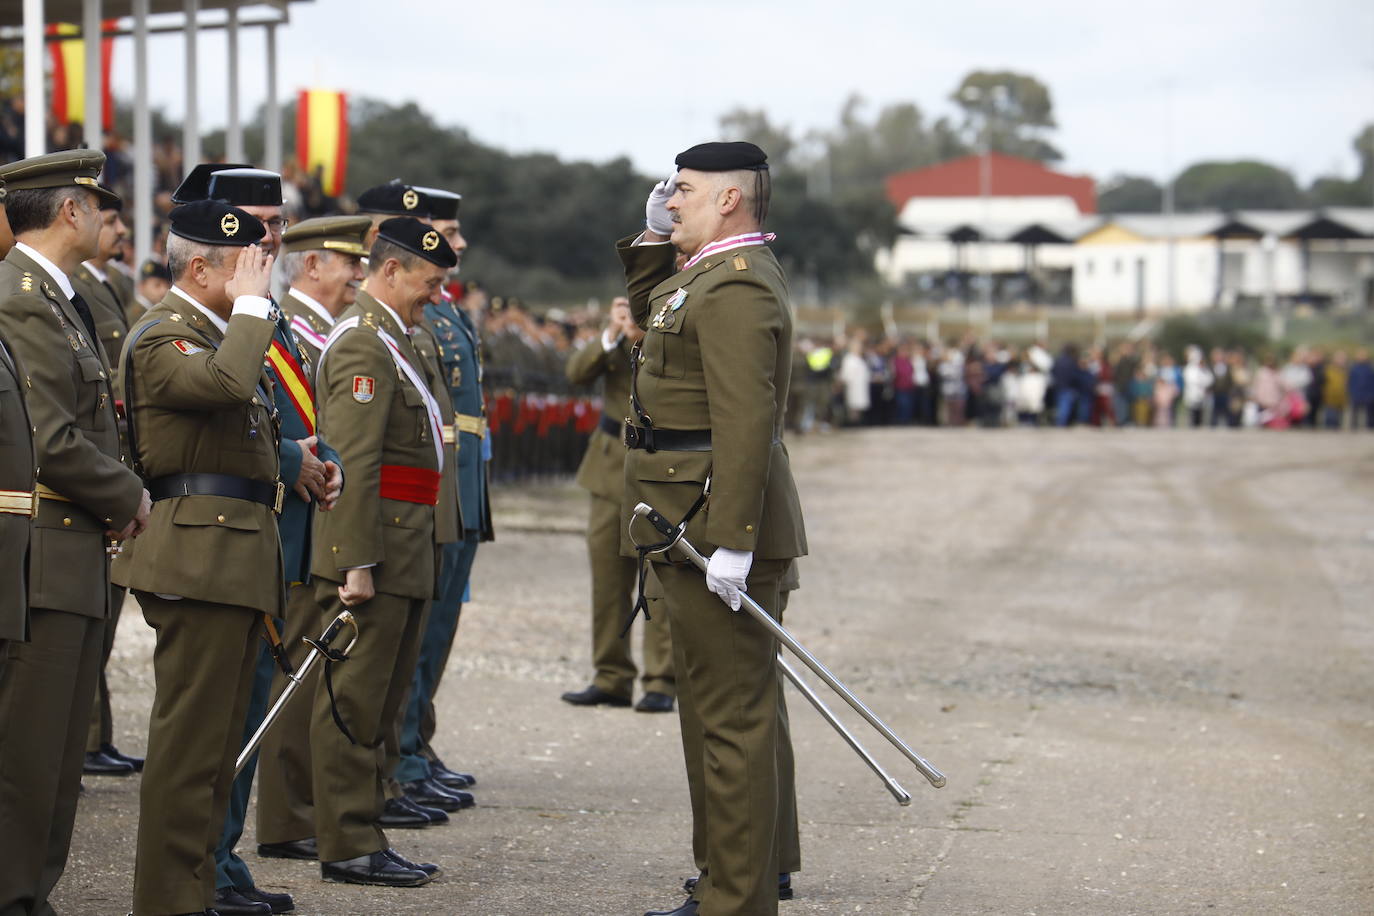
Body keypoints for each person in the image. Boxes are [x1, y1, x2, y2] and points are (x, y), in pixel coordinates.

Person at [618, 140, 807, 916]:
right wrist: (653, 238)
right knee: (723, 711)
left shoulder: (734, 285)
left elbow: (744, 418)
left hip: (712, 524)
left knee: (729, 720)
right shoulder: (705, 277)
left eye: (686, 190)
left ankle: (736, 896)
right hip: (687, 519)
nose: (673, 200)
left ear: (729, 200)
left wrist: (734, 537)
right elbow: (652, 315)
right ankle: (741, 874)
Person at [171, 164, 345, 916]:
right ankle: (202, 867)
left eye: (277, 223)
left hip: (276, 527)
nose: (270, 236)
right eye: (255, 222)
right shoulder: (201, 316)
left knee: (248, 710)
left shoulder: (261, 312)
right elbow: (203, 421)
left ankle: (226, 859)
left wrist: (319, 460)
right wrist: (292, 461)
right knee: (215, 722)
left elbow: (284, 411)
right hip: (229, 528)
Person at [112, 199, 278, 916]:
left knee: (218, 749)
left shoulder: (209, 330)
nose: (260, 275)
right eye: (247, 262)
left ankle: (197, 889)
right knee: (188, 747)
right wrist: (250, 311)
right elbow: (224, 387)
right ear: (203, 266)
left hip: (232, 556)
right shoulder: (161, 335)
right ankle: (168, 901)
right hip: (197, 556)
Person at [0, 150, 151, 916]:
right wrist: (130, 495)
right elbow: (51, 438)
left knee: (58, 757)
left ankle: (32, 893)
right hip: (42, 554)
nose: (104, 218)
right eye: (96, 204)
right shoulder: (22, 297)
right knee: (30, 754)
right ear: (69, 212)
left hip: (73, 547)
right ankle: (16, 895)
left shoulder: (59, 298)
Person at [308, 216, 454, 887]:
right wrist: (354, 560)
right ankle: (346, 839)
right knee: (355, 700)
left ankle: (365, 826)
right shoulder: (365, 346)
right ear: (390, 270)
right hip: (379, 551)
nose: (435, 296)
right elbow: (354, 465)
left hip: (407, 544)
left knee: (386, 700)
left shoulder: (395, 337)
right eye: (428, 283)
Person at [255, 215, 369, 863]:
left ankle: (296, 813)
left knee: (308, 667)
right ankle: (286, 817)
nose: (358, 273)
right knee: (293, 671)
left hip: (319, 513)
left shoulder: (312, 330)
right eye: (347, 261)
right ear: (312, 266)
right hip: (295, 519)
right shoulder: (291, 328)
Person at [394, 184, 490, 806]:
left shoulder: (446, 307)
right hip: (432, 476)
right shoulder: (405, 307)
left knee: (440, 623)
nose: (458, 245)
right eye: (447, 234)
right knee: (415, 628)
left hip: (463, 472)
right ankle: (401, 753)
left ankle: (415, 740)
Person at [561, 295, 675, 711]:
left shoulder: (675, 328)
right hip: (611, 466)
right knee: (608, 579)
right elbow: (575, 372)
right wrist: (612, 333)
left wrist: (652, 335)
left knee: (661, 578)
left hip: (664, 469)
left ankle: (662, 679)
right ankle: (611, 675)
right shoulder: (615, 344)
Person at [69, 187, 146, 778]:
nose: (116, 229)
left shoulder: (99, 284)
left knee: (102, 618)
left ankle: (95, 737)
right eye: (109, 216)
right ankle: (90, 739)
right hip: (85, 475)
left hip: (111, 457)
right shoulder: (64, 287)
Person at [1348, 349, 1374, 430]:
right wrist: (1351, 392)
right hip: (1356, 393)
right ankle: (1353, 428)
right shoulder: (1353, 368)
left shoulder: (1370, 368)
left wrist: (1371, 393)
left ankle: (1370, 428)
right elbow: (1350, 382)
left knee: (1370, 414)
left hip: (1368, 394)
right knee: (1355, 413)